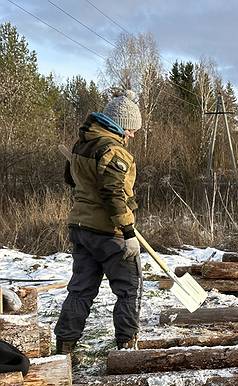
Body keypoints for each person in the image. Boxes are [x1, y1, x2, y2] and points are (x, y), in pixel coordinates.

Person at [55, 89, 143, 363]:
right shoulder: (114, 151)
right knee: (128, 289)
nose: (132, 135)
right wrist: (128, 233)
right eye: (131, 129)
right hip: (110, 234)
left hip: (81, 228)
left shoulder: (82, 145)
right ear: (120, 124)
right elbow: (113, 195)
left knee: (80, 289)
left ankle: (64, 349)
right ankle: (127, 349)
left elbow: (71, 180)